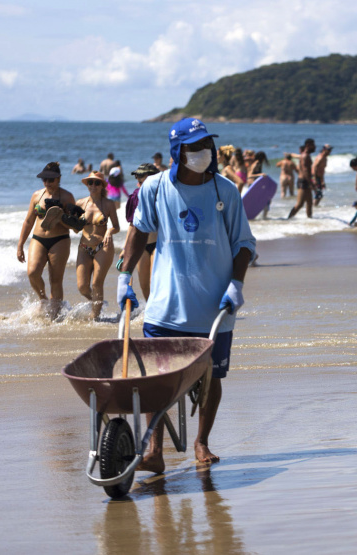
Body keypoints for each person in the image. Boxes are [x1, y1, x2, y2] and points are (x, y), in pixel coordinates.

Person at [117, 118, 256, 470]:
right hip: (165, 307)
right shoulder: (154, 187)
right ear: (178, 151)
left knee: (212, 378)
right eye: (195, 147)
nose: (204, 153)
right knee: (155, 382)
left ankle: (201, 441)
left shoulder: (225, 191)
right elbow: (138, 232)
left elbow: (243, 244)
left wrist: (236, 285)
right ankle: (153, 453)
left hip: (215, 309)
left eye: (207, 145)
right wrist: (124, 276)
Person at [16, 162, 81, 319]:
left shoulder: (67, 197)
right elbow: (28, 221)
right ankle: (43, 299)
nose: (47, 183)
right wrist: (20, 245)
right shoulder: (37, 196)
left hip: (60, 240)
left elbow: (76, 226)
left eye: (51, 180)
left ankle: (54, 316)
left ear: (59, 179)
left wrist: (60, 218)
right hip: (38, 239)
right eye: (45, 180)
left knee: (55, 279)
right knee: (32, 272)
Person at [75, 171, 120, 320]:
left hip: (104, 246)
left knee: (96, 283)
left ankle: (95, 318)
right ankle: (97, 302)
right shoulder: (81, 203)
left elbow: (116, 226)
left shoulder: (108, 204)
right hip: (84, 246)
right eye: (90, 183)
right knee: (82, 286)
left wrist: (108, 232)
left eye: (96, 183)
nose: (93, 185)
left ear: (102, 186)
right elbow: (75, 229)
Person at [118, 163, 161, 300]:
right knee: (144, 285)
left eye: (142, 176)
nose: (138, 179)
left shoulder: (163, 196)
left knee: (154, 281)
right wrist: (126, 248)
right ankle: (150, 310)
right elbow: (132, 224)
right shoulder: (135, 196)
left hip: (158, 244)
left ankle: (158, 311)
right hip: (140, 246)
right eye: (137, 177)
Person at [287, 139, 315, 219]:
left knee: (309, 202)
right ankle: (288, 219)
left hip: (306, 180)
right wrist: (311, 183)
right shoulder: (305, 156)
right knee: (299, 204)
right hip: (303, 181)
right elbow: (305, 171)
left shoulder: (305, 155)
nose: (315, 147)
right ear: (308, 145)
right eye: (313, 145)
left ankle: (310, 219)